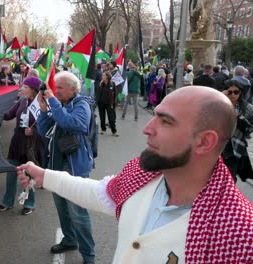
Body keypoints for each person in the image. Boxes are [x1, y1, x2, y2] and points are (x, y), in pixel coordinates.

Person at [18, 86, 253, 263]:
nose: (147, 128)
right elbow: (100, 193)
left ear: (205, 141)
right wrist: (45, 176)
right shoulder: (141, 175)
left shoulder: (240, 236)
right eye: (155, 116)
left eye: (166, 122)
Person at [37, 71, 95, 264]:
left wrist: (52, 101)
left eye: (59, 87)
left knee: (77, 213)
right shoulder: (59, 105)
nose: (55, 91)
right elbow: (44, 131)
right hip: (56, 165)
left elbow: (74, 124)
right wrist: (44, 111)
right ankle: (70, 240)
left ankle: (89, 255)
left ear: (73, 88)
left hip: (75, 168)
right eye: (55, 87)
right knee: (62, 209)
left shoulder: (82, 105)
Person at [0, 76, 44, 215]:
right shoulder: (22, 100)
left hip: (31, 145)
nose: (22, 89)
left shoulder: (40, 103)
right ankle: (7, 201)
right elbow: (9, 115)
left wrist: (34, 130)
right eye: (23, 86)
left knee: (29, 175)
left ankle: (29, 203)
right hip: (17, 142)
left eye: (25, 87)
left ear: (33, 90)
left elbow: (47, 124)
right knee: (11, 173)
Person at [221, 79, 253, 182]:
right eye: (230, 92)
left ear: (241, 92)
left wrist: (239, 119)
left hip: (235, 146)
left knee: (230, 177)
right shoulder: (217, 105)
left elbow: (249, 130)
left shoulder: (247, 108)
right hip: (218, 144)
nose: (233, 95)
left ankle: (228, 196)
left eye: (236, 92)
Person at [97, 71, 118, 136]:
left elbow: (115, 94)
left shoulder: (112, 83)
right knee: (102, 117)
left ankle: (113, 131)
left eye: (103, 75)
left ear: (107, 76)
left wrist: (114, 102)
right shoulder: (101, 83)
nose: (102, 76)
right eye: (102, 75)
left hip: (109, 103)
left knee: (111, 118)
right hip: (101, 103)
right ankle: (103, 129)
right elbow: (98, 93)